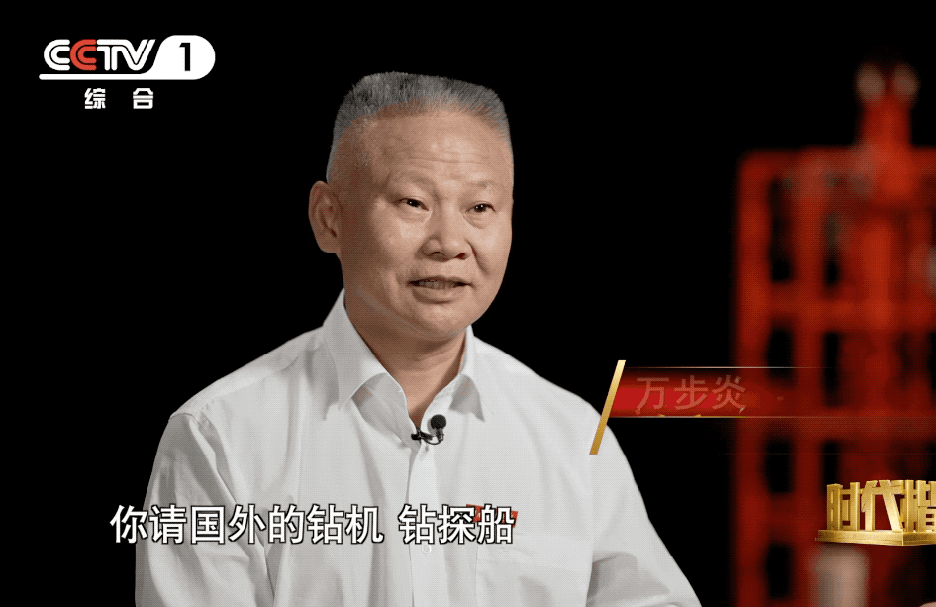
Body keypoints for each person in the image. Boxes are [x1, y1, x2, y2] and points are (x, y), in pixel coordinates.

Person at [135, 72, 701, 606]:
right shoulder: (221, 435)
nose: (449, 242)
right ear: (329, 218)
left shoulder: (573, 436)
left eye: (480, 207)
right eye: (413, 203)